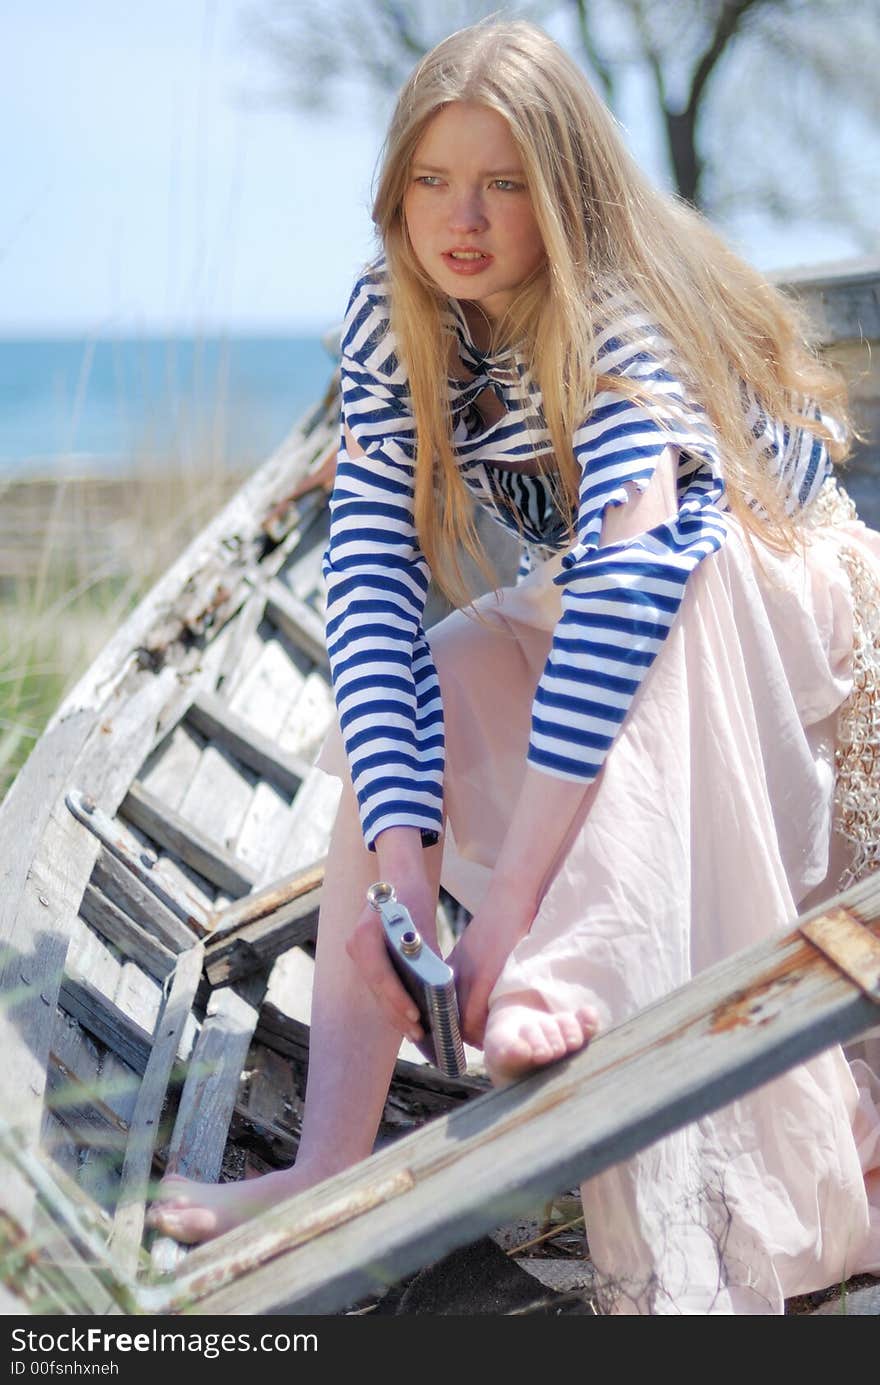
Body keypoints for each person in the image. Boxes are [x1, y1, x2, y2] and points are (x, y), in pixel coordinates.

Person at [148, 19, 880, 1313]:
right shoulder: (396, 312)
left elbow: (635, 596)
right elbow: (369, 582)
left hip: (775, 587)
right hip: (627, 590)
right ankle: (326, 1156)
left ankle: (567, 967)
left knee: (670, 608)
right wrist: (412, 855)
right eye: (431, 182)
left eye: (501, 184)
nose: (462, 220)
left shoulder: (621, 322)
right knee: (430, 666)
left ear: (564, 191)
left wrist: (510, 914)